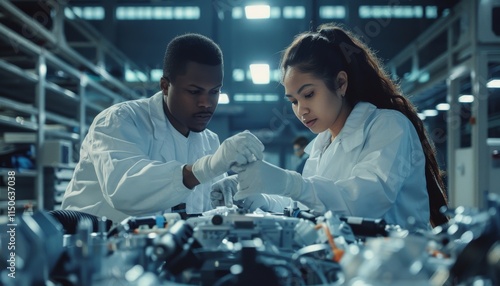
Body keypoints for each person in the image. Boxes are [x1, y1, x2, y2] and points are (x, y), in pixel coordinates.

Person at [223, 23, 450, 230]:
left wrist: (288, 182)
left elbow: (363, 203)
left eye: (309, 94)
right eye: (293, 101)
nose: (301, 110)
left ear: (341, 83)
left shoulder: (389, 126)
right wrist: (260, 197)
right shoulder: (321, 146)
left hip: (396, 267)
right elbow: (307, 205)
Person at [62, 33, 264, 224]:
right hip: (95, 252)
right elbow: (124, 191)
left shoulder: (209, 141)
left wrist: (227, 194)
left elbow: (198, 214)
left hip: (163, 254)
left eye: (215, 91)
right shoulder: (120, 121)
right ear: (165, 86)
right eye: (194, 91)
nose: (206, 103)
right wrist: (206, 168)